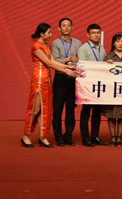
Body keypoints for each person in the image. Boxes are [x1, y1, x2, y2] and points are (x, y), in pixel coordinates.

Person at [21, 23, 76, 148]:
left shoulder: (46, 45)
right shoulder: (37, 46)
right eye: (49, 33)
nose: (51, 35)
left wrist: (68, 66)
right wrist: (67, 71)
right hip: (39, 81)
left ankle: (43, 137)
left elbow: (53, 61)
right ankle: (26, 136)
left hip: (47, 80)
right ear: (42, 34)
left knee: (44, 109)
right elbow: (49, 64)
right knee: (35, 109)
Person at [49, 17, 82, 147]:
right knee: (57, 110)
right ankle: (58, 137)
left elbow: (80, 60)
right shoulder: (55, 43)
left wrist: (76, 60)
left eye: (68, 25)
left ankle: (68, 136)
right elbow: (55, 61)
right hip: (60, 78)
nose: (66, 27)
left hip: (74, 79)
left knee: (70, 111)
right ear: (59, 28)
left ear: (72, 27)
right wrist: (69, 60)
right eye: (64, 26)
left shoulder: (78, 43)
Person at [77, 23, 107, 147]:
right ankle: (85, 137)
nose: (96, 35)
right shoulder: (83, 49)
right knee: (86, 111)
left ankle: (95, 136)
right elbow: (81, 67)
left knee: (96, 112)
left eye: (98, 33)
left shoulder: (102, 48)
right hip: (87, 85)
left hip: (99, 85)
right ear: (88, 34)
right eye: (93, 33)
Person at [102, 32, 122, 147]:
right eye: (118, 41)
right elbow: (101, 73)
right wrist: (106, 65)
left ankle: (119, 136)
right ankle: (112, 136)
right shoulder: (108, 57)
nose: (120, 44)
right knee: (111, 114)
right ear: (113, 43)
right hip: (111, 90)